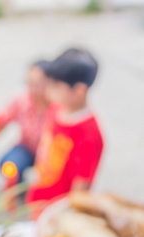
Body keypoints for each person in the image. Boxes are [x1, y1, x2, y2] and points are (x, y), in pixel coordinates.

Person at [26, 48, 104, 203]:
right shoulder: (56, 108)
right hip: (39, 193)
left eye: (55, 85)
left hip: (56, 210)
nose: (47, 89)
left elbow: (79, 190)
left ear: (79, 90)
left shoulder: (89, 135)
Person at [0, 60, 51, 184]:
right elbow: (1, 122)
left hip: (51, 152)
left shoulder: (57, 105)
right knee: (8, 164)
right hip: (28, 147)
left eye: (38, 84)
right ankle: (19, 191)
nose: (32, 89)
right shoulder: (22, 101)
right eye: (29, 83)